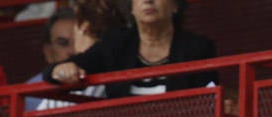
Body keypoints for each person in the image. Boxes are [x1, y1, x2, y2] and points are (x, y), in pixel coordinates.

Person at [44, 0, 217, 99]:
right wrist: (61, 70)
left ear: (175, 5)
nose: (148, 0)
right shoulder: (116, 43)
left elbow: (207, 104)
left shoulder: (198, 47)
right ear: (132, 7)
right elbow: (59, 71)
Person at [24, 8, 76, 112]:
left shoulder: (103, 81)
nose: (72, 51)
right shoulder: (31, 91)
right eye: (63, 43)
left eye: (79, 42)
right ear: (48, 52)